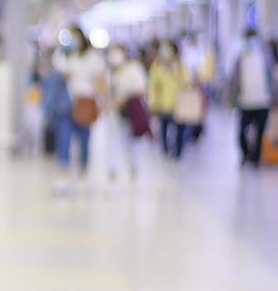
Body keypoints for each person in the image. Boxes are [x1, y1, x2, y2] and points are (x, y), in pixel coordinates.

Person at [55, 27, 106, 186]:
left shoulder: (93, 58)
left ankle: (84, 169)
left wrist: (103, 101)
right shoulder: (68, 56)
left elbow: (98, 80)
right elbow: (64, 73)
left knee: (85, 138)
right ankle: (64, 170)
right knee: (65, 136)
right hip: (69, 103)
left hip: (86, 102)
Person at [232, 28, 273, 168]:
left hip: (263, 100)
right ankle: (245, 154)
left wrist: (273, 95)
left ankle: (256, 158)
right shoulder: (240, 58)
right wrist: (233, 97)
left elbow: (271, 77)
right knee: (241, 130)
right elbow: (235, 79)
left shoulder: (265, 56)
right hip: (245, 101)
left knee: (261, 130)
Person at [107, 44, 148, 181]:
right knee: (115, 139)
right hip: (115, 112)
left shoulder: (134, 69)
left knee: (133, 142)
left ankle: (134, 166)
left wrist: (125, 99)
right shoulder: (111, 72)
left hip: (131, 112)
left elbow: (141, 90)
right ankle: (113, 168)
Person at [149, 40, 188, 159]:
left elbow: (187, 82)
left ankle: (178, 151)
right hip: (163, 104)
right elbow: (153, 85)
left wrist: (174, 72)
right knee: (163, 128)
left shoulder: (181, 66)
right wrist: (153, 102)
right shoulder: (157, 65)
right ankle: (165, 150)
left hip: (179, 105)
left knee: (179, 130)